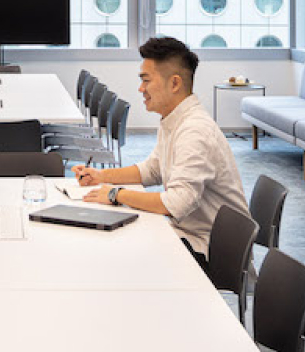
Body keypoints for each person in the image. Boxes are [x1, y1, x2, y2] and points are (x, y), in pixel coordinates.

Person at [73, 36, 248, 267]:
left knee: (116, 253)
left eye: (146, 80)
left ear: (174, 83)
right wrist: (100, 177)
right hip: (186, 233)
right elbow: (152, 170)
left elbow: (176, 203)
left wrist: (116, 194)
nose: (140, 88)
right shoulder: (174, 119)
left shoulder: (195, 131)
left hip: (210, 249)